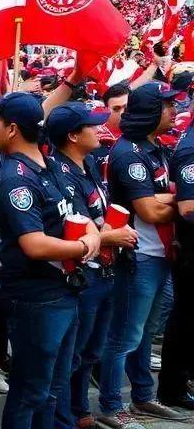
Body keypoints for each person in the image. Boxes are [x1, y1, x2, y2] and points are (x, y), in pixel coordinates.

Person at [0, 93, 100, 428]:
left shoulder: (50, 165)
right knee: (31, 391)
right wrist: (85, 246)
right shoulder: (15, 178)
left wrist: (91, 235)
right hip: (36, 298)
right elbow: (35, 245)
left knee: (53, 388)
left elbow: (82, 215)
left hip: (64, 293)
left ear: (11, 129)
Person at [45, 103, 140, 429]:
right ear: (72, 135)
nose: (101, 129)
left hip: (104, 273)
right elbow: (73, 225)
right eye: (92, 125)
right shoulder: (60, 172)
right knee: (70, 356)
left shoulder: (85, 163)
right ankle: (62, 419)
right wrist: (113, 236)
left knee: (89, 352)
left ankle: (79, 410)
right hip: (83, 276)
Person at [99, 82, 186, 428]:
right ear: (151, 110)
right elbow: (150, 210)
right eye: (166, 105)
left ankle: (142, 397)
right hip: (138, 257)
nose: (173, 110)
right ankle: (110, 404)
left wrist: (168, 201)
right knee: (124, 335)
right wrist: (179, 203)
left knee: (144, 332)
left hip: (158, 253)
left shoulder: (154, 148)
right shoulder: (129, 153)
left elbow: (162, 198)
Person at [161, 96, 194, 412]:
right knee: (185, 319)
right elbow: (188, 208)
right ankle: (173, 386)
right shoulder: (191, 149)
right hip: (190, 251)